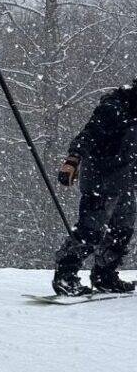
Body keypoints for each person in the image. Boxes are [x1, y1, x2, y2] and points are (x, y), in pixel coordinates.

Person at [52, 81, 137, 296]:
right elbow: (88, 134)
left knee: (122, 230)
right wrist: (73, 160)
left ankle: (104, 275)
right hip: (101, 178)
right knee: (90, 230)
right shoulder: (113, 107)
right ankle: (65, 276)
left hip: (126, 180)